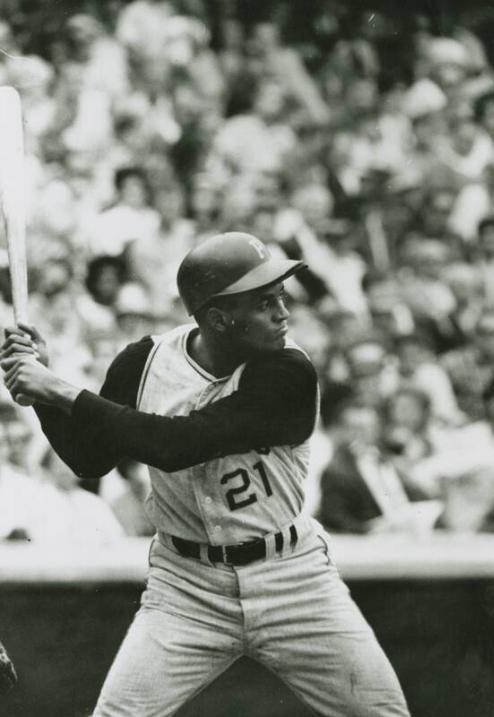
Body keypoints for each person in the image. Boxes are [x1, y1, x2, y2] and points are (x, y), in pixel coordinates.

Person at [1, 232, 409, 717]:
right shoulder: (144, 361)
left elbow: (175, 445)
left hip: (291, 578)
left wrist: (60, 390)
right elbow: (90, 459)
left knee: (383, 713)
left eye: (279, 297)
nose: (283, 312)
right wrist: (44, 393)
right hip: (186, 586)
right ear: (218, 319)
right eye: (263, 303)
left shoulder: (288, 372)